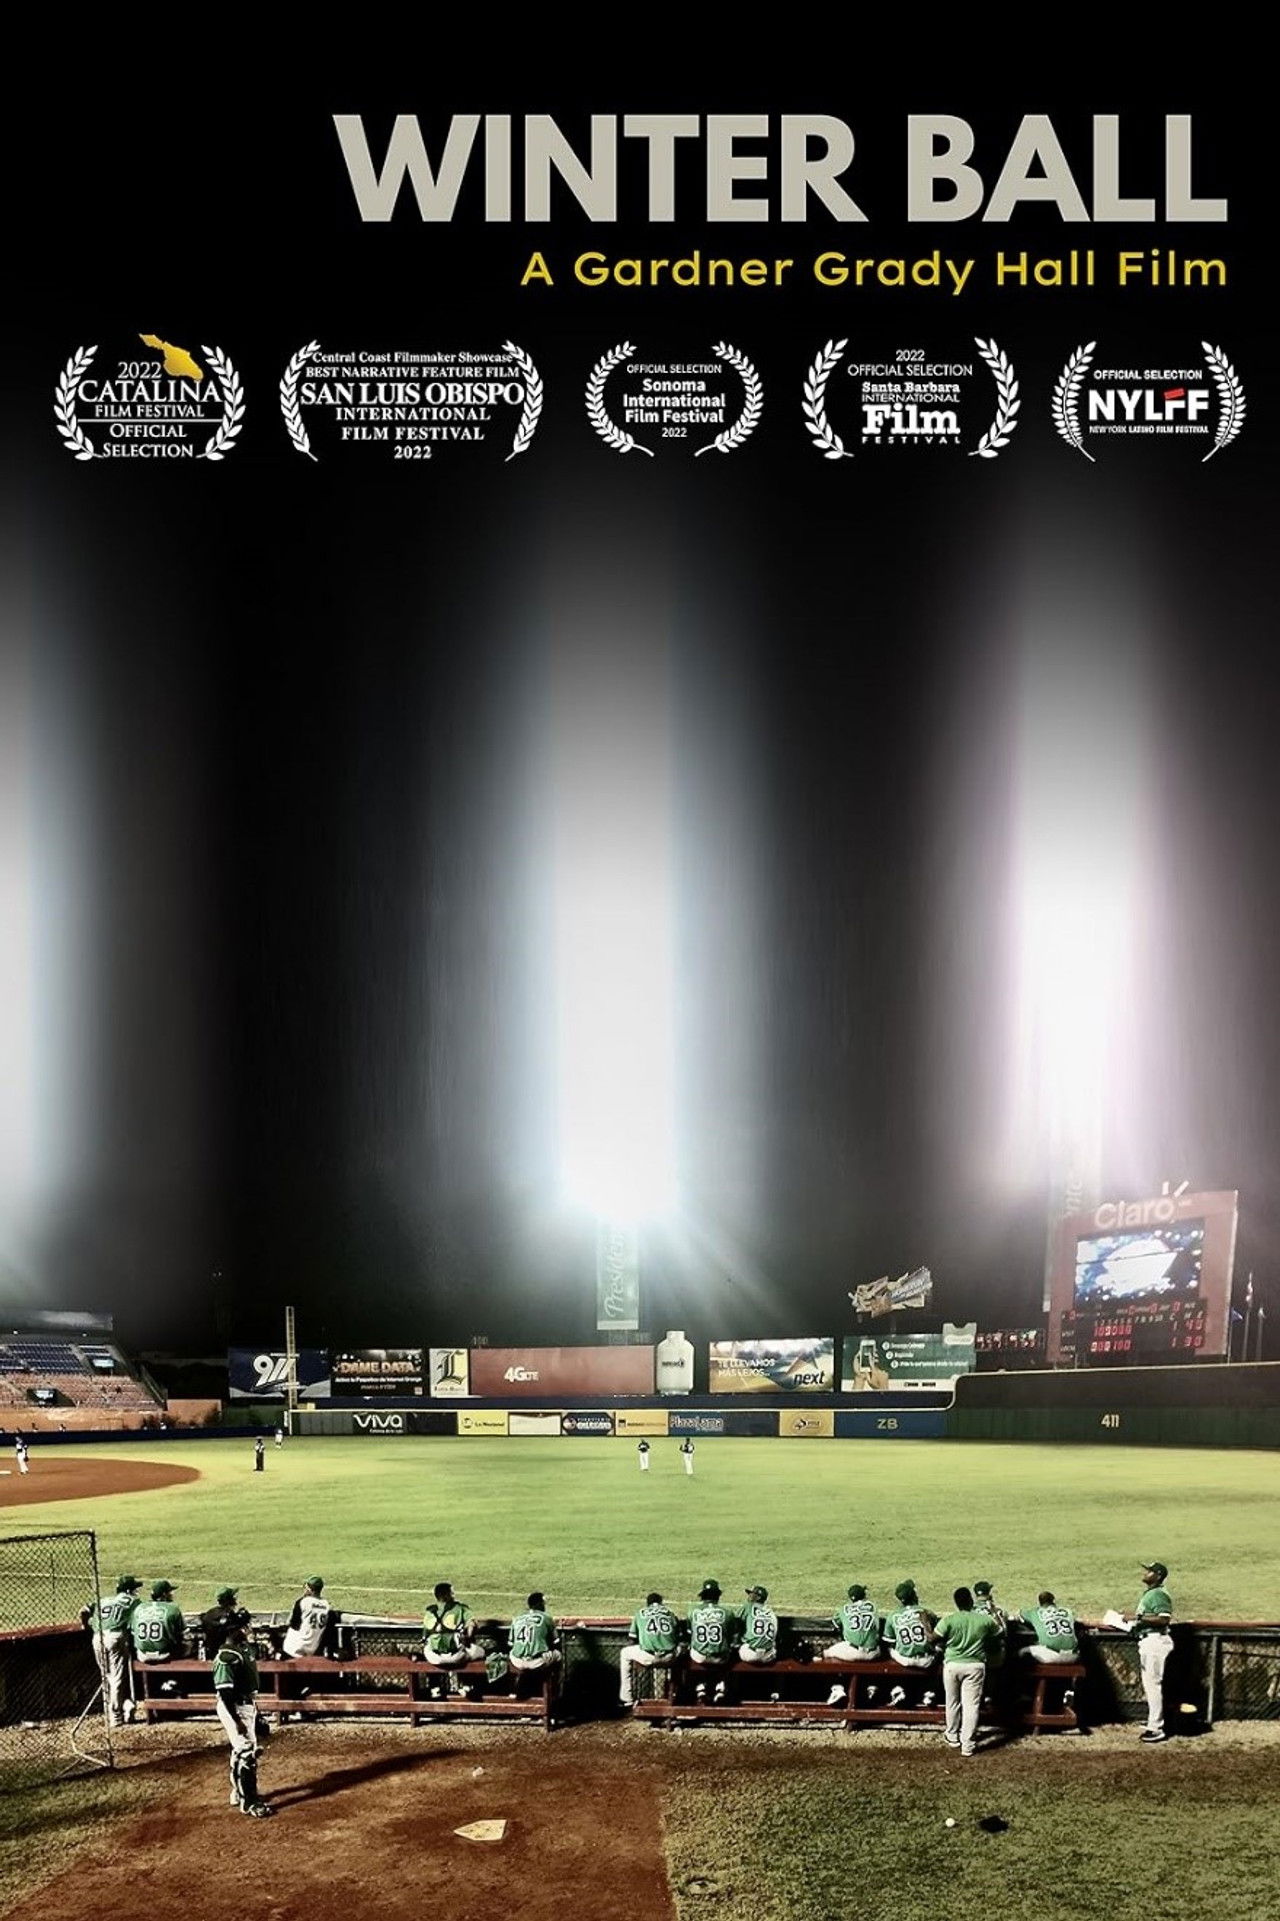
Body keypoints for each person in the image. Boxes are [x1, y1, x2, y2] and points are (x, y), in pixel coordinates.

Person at [212, 1612, 274, 1818]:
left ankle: (238, 1794)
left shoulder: (242, 1649)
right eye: (243, 1627)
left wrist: (256, 1714)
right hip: (234, 1707)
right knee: (246, 1752)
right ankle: (249, 1802)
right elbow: (225, 1693)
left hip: (246, 1705)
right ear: (233, 1631)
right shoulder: (226, 1657)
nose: (247, 1629)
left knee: (243, 1750)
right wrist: (237, 1720)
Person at [933, 1586, 1004, 1757]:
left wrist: (925, 1623)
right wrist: (994, 1612)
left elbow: (932, 1638)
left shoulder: (949, 1620)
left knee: (952, 1702)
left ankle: (952, 1736)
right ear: (971, 1601)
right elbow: (1000, 1633)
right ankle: (968, 1745)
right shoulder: (984, 1620)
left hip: (952, 1665)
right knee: (971, 1706)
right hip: (975, 1666)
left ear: (956, 1603)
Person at [80, 1573, 142, 1725]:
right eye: (134, 1588)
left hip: (97, 1637)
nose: (136, 1592)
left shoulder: (103, 1600)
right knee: (116, 1677)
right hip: (116, 1637)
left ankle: (123, 1705)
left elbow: (83, 1610)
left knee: (107, 1676)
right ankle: (116, 1715)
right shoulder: (132, 1600)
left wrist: (85, 1625)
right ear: (128, 1590)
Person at [1125, 1560, 1174, 1743]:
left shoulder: (1159, 1594)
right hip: (1150, 1641)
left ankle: (1156, 1728)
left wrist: (1138, 1618)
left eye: (1149, 1571)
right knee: (1151, 1685)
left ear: (1158, 1575)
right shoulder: (1151, 1593)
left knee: (1153, 1685)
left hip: (1155, 1641)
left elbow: (1164, 1619)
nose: (1145, 1573)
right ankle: (1153, 1722)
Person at [618, 1591, 683, 1707]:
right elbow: (679, 1636)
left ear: (647, 1603)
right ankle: (678, 1695)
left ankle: (627, 1698)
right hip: (670, 1657)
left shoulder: (640, 1613)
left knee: (625, 1652)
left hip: (648, 1657)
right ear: (661, 1603)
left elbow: (632, 1638)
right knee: (682, 1650)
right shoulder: (670, 1613)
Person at [822, 1583, 882, 1706]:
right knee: (882, 1651)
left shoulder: (844, 1608)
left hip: (852, 1651)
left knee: (826, 1654)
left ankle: (838, 1689)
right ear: (864, 1596)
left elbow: (836, 1624)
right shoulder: (872, 1606)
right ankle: (872, 1687)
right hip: (873, 1653)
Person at [883, 1580, 938, 1705]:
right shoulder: (927, 1612)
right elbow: (937, 1635)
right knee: (938, 1651)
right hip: (926, 1661)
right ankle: (929, 1692)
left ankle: (898, 1688)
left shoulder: (893, 1616)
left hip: (905, 1660)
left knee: (890, 1650)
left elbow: (889, 1641)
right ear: (914, 1595)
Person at [421, 1581, 485, 1686]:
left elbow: (424, 1635)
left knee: (428, 1649)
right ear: (446, 1595)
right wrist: (468, 1638)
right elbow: (472, 1625)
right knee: (480, 1652)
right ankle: (466, 1684)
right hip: (455, 1656)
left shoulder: (429, 1611)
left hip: (434, 1657)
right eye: (451, 1593)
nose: (453, 1595)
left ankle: (434, 1686)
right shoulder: (460, 1608)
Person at [686, 1579, 736, 1702]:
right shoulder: (728, 1612)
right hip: (721, 1658)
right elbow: (731, 1634)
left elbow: (690, 1633)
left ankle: (700, 1688)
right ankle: (721, 1688)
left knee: (692, 1650)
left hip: (700, 1656)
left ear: (702, 1596)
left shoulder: (693, 1611)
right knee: (730, 1651)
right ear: (718, 1596)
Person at [507, 1591, 561, 1684]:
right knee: (558, 1655)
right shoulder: (546, 1617)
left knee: (512, 1653)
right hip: (537, 1662)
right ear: (539, 1604)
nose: (544, 1606)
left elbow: (510, 1644)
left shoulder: (517, 1618)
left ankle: (515, 1686)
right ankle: (556, 1686)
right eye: (543, 1603)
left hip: (517, 1661)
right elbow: (556, 1642)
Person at [282, 1575, 340, 1658]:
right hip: (312, 1649)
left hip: (293, 1648)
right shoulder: (327, 1605)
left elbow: (292, 1623)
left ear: (309, 1589)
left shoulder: (303, 1601)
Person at [131, 1579, 187, 1662]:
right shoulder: (173, 1608)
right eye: (170, 1592)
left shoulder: (139, 1608)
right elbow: (182, 1633)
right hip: (165, 1654)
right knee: (190, 1644)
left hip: (142, 1655)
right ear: (164, 1594)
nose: (172, 1594)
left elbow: (133, 1632)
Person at [1019, 1590, 1081, 1664]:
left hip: (1051, 1656)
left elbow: (1021, 1614)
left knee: (1022, 1652)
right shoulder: (1068, 1611)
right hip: (1073, 1656)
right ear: (1053, 1600)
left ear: (1040, 1602)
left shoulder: (1034, 1612)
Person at [737, 1585, 779, 1664]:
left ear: (758, 1597)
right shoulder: (771, 1612)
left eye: (752, 1594)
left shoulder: (748, 1606)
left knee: (740, 1645)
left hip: (751, 1654)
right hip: (768, 1655)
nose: (749, 1596)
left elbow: (736, 1623)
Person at [199, 1586, 243, 1660]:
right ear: (229, 1600)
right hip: (225, 1654)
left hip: (211, 1652)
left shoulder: (211, 1612)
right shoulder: (229, 1616)